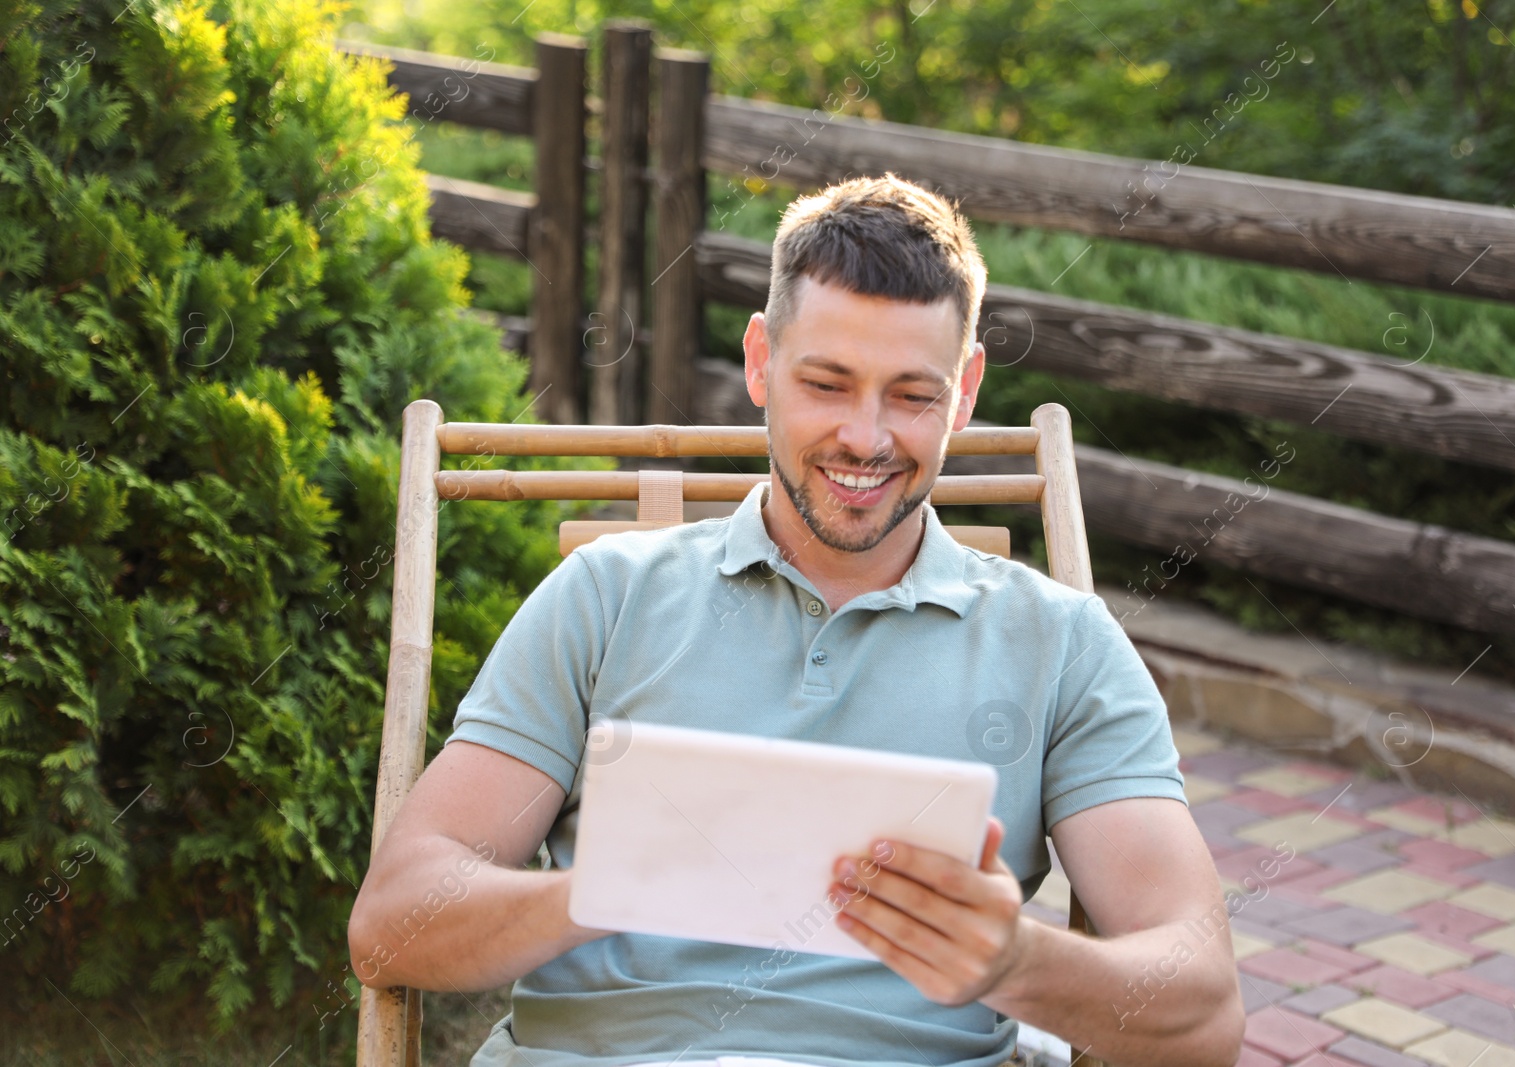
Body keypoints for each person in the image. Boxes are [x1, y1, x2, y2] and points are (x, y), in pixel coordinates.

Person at [348, 172, 1245, 1067]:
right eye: (827, 381)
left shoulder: (1063, 645)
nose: (865, 436)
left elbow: (1205, 1013)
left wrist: (1013, 961)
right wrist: (612, 887)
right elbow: (392, 927)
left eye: (912, 394)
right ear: (760, 362)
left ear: (965, 390)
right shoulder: (606, 595)